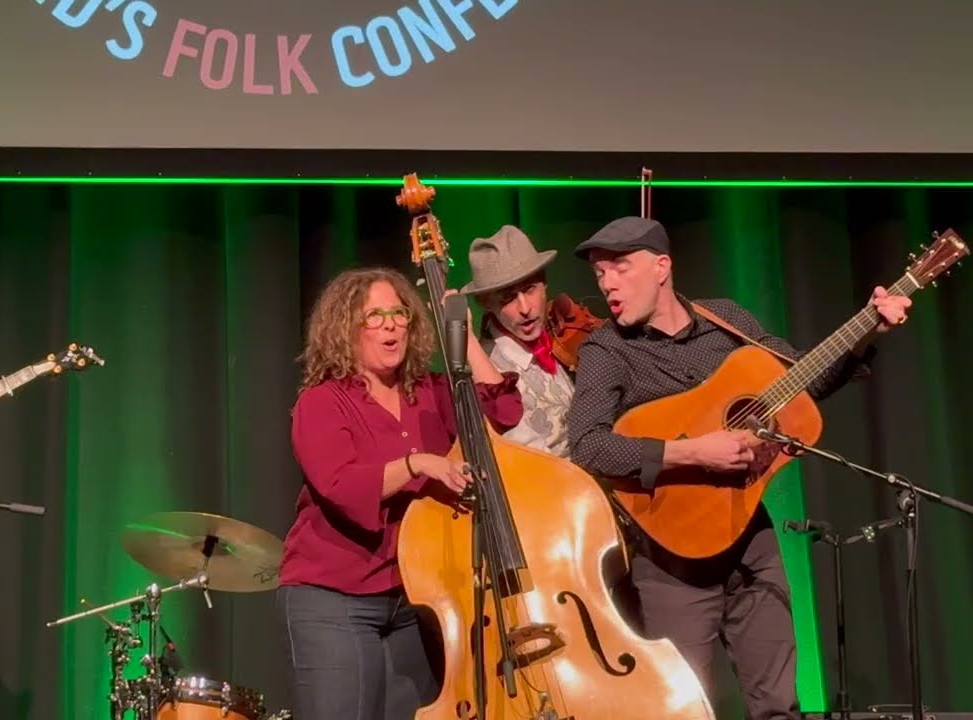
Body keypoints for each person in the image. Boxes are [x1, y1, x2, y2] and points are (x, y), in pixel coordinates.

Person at [565, 216, 910, 719]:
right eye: (599, 274)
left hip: (750, 537)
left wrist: (866, 331)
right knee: (680, 711)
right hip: (670, 557)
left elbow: (802, 382)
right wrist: (692, 452)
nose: (607, 284)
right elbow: (588, 448)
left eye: (620, 268)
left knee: (779, 703)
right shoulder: (606, 350)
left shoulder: (724, 320)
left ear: (662, 267)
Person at [277, 267, 523, 720]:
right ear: (346, 330)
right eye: (374, 316)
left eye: (398, 313)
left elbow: (503, 412)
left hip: (415, 599)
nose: (391, 324)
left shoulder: (429, 391)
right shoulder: (323, 402)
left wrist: (464, 335)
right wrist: (417, 463)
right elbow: (341, 484)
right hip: (336, 596)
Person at [461, 225, 600, 458]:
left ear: (544, 285)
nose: (525, 309)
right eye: (508, 299)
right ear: (486, 303)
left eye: (530, 289)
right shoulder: (487, 374)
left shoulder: (560, 337)